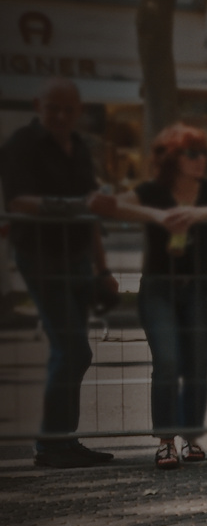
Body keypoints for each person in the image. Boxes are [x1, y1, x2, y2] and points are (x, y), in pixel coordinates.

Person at [110, 124, 207, 468]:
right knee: (167, 360)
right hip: (159, 286)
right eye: (192, 153)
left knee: (195, 365)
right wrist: (156, 215)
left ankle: (190, 435)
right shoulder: (152, 191)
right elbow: (111, 206)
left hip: (199, 285)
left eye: (204, 152)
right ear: (172, 158)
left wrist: (204, 212)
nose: (201, 159)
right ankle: (165, 441)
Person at [0, 78, 119, 467]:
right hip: (41, 257)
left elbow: (91, 213)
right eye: (54, 108)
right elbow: (19, 199)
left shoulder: (80, 148)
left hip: (76, 257)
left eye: (69, 109)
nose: (62, 116)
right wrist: (72, 205)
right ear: (38, 104)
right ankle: (52, 444)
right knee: (72, 349)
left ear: (79, 110)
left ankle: (63, 441)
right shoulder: (22, 144)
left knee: (74, 350)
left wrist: (103, 270)